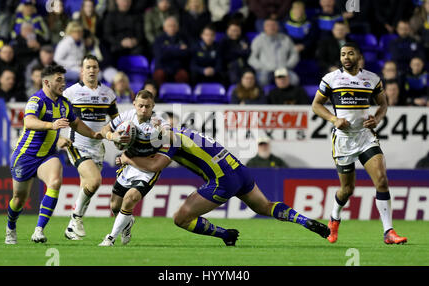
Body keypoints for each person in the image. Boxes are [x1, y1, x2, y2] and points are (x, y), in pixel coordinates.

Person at [99, 126, 330, 246]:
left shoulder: (170, 139)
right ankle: (304, 220)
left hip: (223, 180)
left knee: (180, 218)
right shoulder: (182, 132)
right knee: (265, 206)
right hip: (239, 169)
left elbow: (155, 164)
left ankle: (225, 234)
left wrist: (128, 159)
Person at [311, 42, 408, 245]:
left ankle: (388, 232)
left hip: (365, 136)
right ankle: (334, 218)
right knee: (347, 189)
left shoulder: (372, 79)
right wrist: (333, 119)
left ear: (359, 56)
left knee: (381, 179)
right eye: (343, 54)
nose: (346, 57)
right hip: (344, 140)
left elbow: (383, 104)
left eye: (350, 53)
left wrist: (377, 119)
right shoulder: (331, 79)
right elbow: (316, 105)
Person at [5, 65, 104, 245]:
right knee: (19, 200)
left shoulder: (64, 103)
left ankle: (39, 230)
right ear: (46, 82)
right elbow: (29, 121)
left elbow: (76, 123)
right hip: (25, 157)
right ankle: (11, 227)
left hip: (47, 157)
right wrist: (52, 125)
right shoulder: (37, 100)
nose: (63, 84)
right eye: (59, 80)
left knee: (55, 182)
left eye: (63, 80)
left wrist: (94, 134)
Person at [98, 90, 171, 246]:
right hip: (129, 165)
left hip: (148, 169)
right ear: (134, 105)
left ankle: (110, 238)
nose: (144, 109)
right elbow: (105, 130)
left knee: (130, 198)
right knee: (115, 206)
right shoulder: (126, 117)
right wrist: (114, 136)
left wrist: (161, 132)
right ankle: (127, 224)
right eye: (141, 106)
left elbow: (171, 136)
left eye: (147, 106)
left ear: (153, 106)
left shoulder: (158, 121)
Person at [62, 55, 122, 240]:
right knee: (95, 181)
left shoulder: (108, 93)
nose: (91, 70)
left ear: (98, 70)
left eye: (94, 67)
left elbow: (116, 121)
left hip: (98, 147)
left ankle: (71, 228)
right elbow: (58, 117)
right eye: (87, 67)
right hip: (77, 144)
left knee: (87, 188)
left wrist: (119, 135)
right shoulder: (70, 93)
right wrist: (56, 137)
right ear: (81, 70)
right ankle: (76, 218)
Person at [248, 18, 299, 87]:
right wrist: (262, 67)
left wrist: (287, 66)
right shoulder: (258, 39)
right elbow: (252, 58)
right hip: (265, 70)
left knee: (294, 80)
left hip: (283, 69)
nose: (271, 27)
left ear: (278, 27)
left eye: (274, 25)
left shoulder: (285, 39)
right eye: (268, 25)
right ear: (264, 28)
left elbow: (294, 54)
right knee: (263, 80)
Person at [152, 16, 190, 86]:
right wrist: (178, 48)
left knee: (183, 75)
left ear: (178, 27)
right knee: (159, 75)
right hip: (162, 67)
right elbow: (160, 55)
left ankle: (181, 96)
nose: (172, 28)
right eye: (169, 26)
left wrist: (167, 49)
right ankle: (159, 95)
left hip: (178, 67)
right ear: (164, 28)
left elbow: (186, 54)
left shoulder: (183, 38)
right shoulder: (159, 39)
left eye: (174, 26)